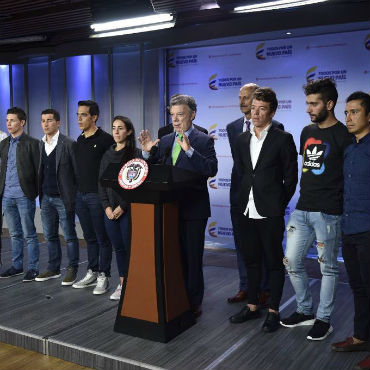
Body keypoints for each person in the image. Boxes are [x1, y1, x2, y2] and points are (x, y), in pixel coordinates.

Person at [280, 78, 352, 340]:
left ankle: (323, 319)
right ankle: (305, 310)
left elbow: (349, 176)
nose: (309, 109)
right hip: (302, 208)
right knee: (292, 261)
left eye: (314, 104)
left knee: (328, 269)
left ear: (330, 104)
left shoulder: (344, 136)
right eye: (307, 103)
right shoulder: (306, 131)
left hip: (329, 212)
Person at [139, 94, 218, 317]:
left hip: (194, 210)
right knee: (174, 257)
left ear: (192, 115)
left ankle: (194, 301)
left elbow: (211, 169)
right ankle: (177, 296)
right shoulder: (164, 141)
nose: (175, 120)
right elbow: (151, 169)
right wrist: (146, 153)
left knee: (192, 258)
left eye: (180, 115)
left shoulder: (203, 140)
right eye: (172, 115)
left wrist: (189, 151)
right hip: (168, 209)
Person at [229, 87, 297, 332]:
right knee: (252, 261)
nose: (255, 113)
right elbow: (244, 172)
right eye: (254, 107)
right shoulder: (241, 139)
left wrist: (278, 204)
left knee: (273, 263)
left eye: (262, 109)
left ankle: (273, 310)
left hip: (270, 211)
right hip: (245, 210)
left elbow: (291, 178)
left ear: (272, 112)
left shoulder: (283, 138)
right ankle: (252, 305)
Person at [226, 83, 284, 305]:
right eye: (240, 97)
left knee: (265, 247)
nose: (242, 101)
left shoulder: (277, 127)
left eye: (247, 97)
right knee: (243, 244)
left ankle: (266, 289)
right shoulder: (232, 127)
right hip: (239, 196)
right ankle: (246, 287)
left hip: (265, 198)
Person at [330, 92, 370, 370]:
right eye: (346, 113)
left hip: (369, 230)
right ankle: (361, 337)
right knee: (358, 288)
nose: (348, 118)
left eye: (354, 112)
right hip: (350, 228)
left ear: (369, 116)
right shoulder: (349, 149)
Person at [72, 100, 114, 295]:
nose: (79, 119)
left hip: (98, 197)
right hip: (81, 196)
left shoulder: (106, 139)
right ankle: (92, 270)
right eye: (78, 115)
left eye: (84, 115)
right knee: (89, 238)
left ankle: (103, 276)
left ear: (94, 117)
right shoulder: (79, 140)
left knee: (102, 238)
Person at [35, 109, 79, 286]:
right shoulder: (40, 144)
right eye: (43, 120)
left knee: (69, 235)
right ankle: (53, 268)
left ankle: (72, 269)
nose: (45, 124)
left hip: (63, 197)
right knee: (50, 235)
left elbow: (76, 174)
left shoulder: (68, 143)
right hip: (45, 198)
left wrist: (73, 197)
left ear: (58, 123)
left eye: (49, 120)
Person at [98, 116, 140, 301]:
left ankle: (136, 284)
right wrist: (106, 206)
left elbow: (137, 185)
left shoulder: (135, 154)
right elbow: (101, 183)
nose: (116, 131)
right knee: (119, 249)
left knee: (131, 248)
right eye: (114, 127)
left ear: (129, 131)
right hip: (110, 211)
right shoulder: (107, 154)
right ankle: (123, 283)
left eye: (120, 128)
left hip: (127, 211)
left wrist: (123, 206)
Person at [0, 107, 40, 282]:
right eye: (7, 120)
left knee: (30, 234)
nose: (9, 123)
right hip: (6, 195)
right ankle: (17, 266)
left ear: (22, 122)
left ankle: (33, 268)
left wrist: (33, 193)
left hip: (24, 195)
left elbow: (39, 170)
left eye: (12, 120)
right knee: (14, 234)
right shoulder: (3, 144)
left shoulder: (32, 143)